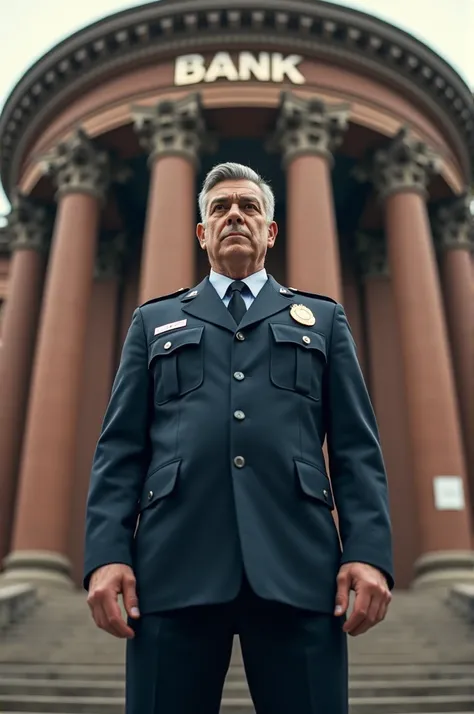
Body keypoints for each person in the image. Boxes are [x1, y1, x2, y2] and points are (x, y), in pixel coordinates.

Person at [84, 162, 394, 714]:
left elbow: (355, 450)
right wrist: (108, 554)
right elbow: (120, 451)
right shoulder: (154, 322)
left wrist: (367, 553)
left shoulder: (321, 320)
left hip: (298, 565)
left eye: (249, 208)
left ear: (270, 232)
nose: (234, 216)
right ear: (202, 233)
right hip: (172, 565)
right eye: (219, 208)